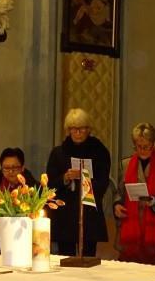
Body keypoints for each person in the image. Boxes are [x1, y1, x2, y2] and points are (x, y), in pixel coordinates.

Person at [45, 108, 111, 257]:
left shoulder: (99, 152)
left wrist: (84, 178)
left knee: (88, 259)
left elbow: (103, 183)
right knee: (65, 259)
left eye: (82, 129)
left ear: (88, 129)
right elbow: (50, 185)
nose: (78, 133)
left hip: (89, 213)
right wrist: (65, 178)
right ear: (68, 130)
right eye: (74, 129)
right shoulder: (58, 153)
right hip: (65, 215)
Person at [113, 122, 155, 264]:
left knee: (151, 271)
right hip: (130, 225)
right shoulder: (126, 164)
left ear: (154, 144)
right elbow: (119, 192)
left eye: (146, 146)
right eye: (138, 146)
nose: (141, 150)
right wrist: (117, 205)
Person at [0, 147, 37, 255]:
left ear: (22, 168)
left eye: (15, 167)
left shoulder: (34, 188)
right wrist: (0, 230)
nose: (11, 172)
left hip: (26, 246)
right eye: (6, 168)